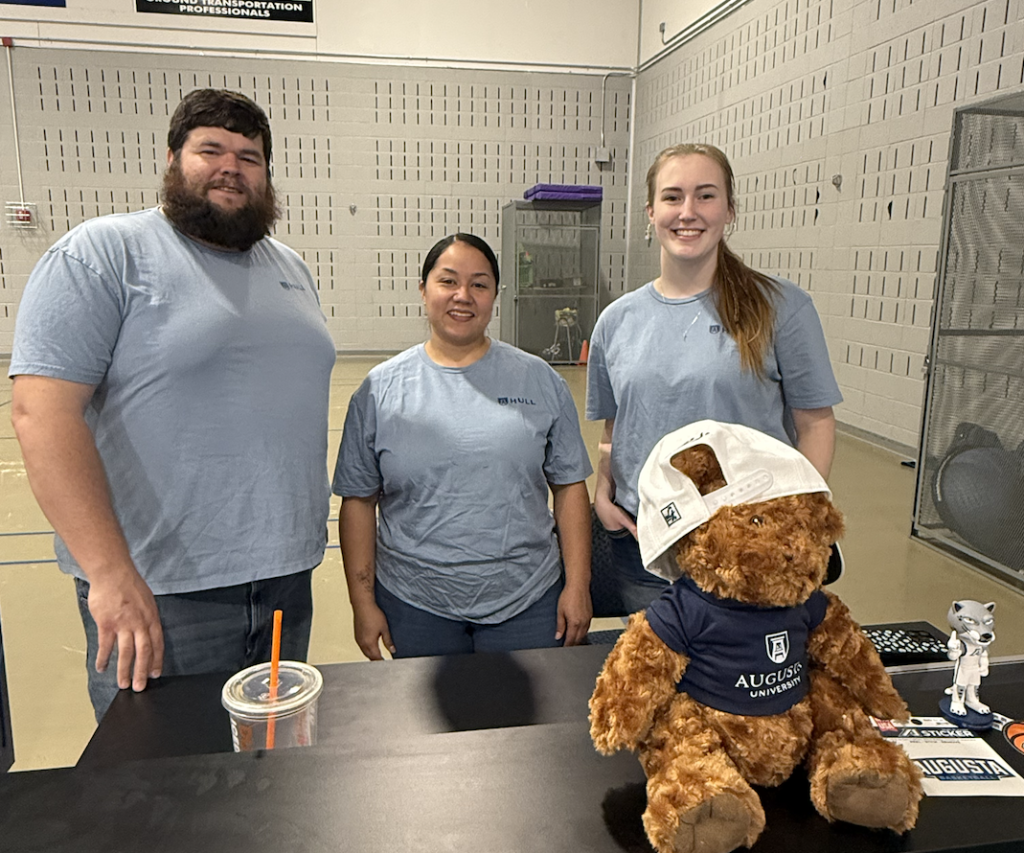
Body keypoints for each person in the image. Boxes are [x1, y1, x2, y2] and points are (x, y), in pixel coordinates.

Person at [9, 89, 336, 719]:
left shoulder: (290, 267)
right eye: (209, 149)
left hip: (283, 585)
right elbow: (40, 415)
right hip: (158, 593)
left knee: (266, 778)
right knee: (157, 791)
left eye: (250, 156)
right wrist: (108, 574)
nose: (231, 167)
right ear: (171, 159)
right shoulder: (102, 254)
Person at [586, 142, 842, 614]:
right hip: (648, 541)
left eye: (705, 196)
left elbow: (815, 424)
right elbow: (616, 428)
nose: (688, 212)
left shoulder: (781, 308)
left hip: (749, 544)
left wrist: (797, 522)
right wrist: (603, 495)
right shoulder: (617, 320)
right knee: (655, 678)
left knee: (738, 678)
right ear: (650, 212)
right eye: (672, 197)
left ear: (729, 210)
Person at [334, 233, 593, 659]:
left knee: (526, 725)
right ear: (423, 289)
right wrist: (362, 604)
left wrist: (578, 586)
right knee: (428, 725)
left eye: (479, 284)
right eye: (447, 281)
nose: (463, 296)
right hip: (414, 604)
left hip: (527, 600)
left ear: (494, 294)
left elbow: (569, 486)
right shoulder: (379, 390)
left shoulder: (539, 379)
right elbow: (358, 501)